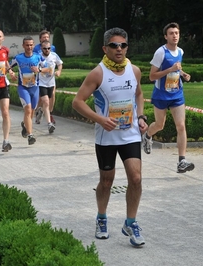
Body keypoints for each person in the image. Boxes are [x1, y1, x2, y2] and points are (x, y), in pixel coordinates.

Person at [72, 27, 148, 247]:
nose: (119, 49)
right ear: (105, 48)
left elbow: (140, 94)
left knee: (136, 178)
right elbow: (78, 102)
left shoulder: (134, 71)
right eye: (114, 45)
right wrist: (99, 119)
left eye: (123, 45)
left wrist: (141, 116)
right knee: (107, 181)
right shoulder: (98, 73)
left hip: (130, 134)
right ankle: (102, 218)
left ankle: (131, 222)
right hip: (106, 137)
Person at [141, 22, 194, 173]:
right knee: (159, 125)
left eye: (176, 33)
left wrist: (183, 74)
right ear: (166, 36)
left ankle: (181, 161)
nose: (174, 36)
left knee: (181, 126)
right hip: (161, 94)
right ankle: (147, 135)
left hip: (177, 94)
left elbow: (177, 68)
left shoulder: (181, 52)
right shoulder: (160, 53)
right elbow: (152, 76)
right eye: (171, 33)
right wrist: (170, 69)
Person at [9, 36, 45, 145]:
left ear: (33, 45)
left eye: (31, 45)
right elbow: (7, 66)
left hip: (35, 88)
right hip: (23, 87)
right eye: (27, 45)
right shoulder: (18, 58)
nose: (29, 47)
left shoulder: (38, 57)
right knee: (28, 110)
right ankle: (30, 135)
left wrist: (39, 70)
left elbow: (48, 69)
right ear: (23, 46)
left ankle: (25, 125)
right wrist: (11, 73)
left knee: (32, 111)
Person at [34, 40, 63, 133]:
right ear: (41, 48)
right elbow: (35, 68)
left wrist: (59, 71)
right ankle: (49, 124)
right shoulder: (38, 57)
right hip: (42, 83)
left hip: (51, 83)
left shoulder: (54, 55)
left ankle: (40, 111)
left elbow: (60, 63)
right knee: (46, 102)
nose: (47, 50)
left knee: (47, 103)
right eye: (45, 48)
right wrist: (41, 70)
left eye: (48, 48)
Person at [33, 30, 57, 125]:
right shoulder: (35, 49)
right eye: (44, 37)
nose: (45, 38)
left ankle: (49, 113)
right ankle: (38, 111)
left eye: (47, 37)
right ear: (40, 39)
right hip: (40, 76)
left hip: (50, 77)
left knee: (52, 95)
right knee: (40, 98)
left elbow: (54, 59)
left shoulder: (53, 48)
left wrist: (57, 70)